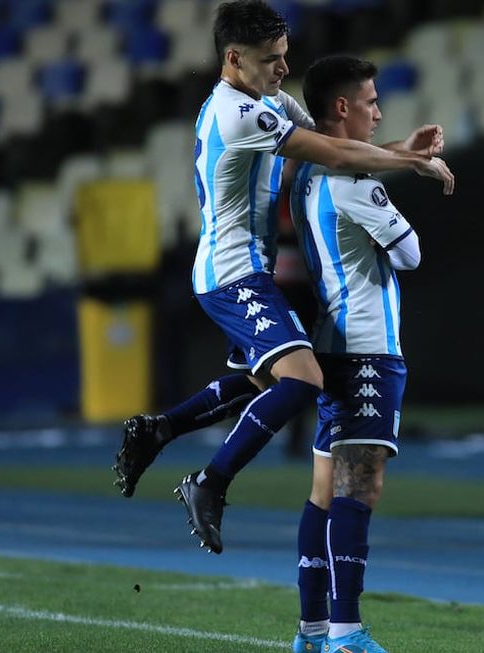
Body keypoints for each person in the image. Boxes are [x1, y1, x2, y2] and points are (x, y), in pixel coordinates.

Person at [112, 0, 453, 556]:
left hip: (245, 269)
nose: (280, 68)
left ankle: (161, 429)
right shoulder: (237, 113)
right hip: (231, 272)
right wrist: (411, 164)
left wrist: (396, 150)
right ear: (233, 58)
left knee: (263, 382)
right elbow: (334, 150)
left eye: (284, 57)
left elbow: (334, 151)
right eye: (270, 59)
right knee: (303, 380)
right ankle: (210, 482)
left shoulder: (266, 99)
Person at [285, 54, 426, 653]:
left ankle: (312, 630)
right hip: (368, 347)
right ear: (341, 108)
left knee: (323, 489)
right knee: (360, 484)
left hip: (329, 342)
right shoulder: (354, 182)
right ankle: (346, 631)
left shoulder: (308, 175)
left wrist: (402, 155)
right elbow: (410, 253)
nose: (378, 111)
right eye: (370, 102)